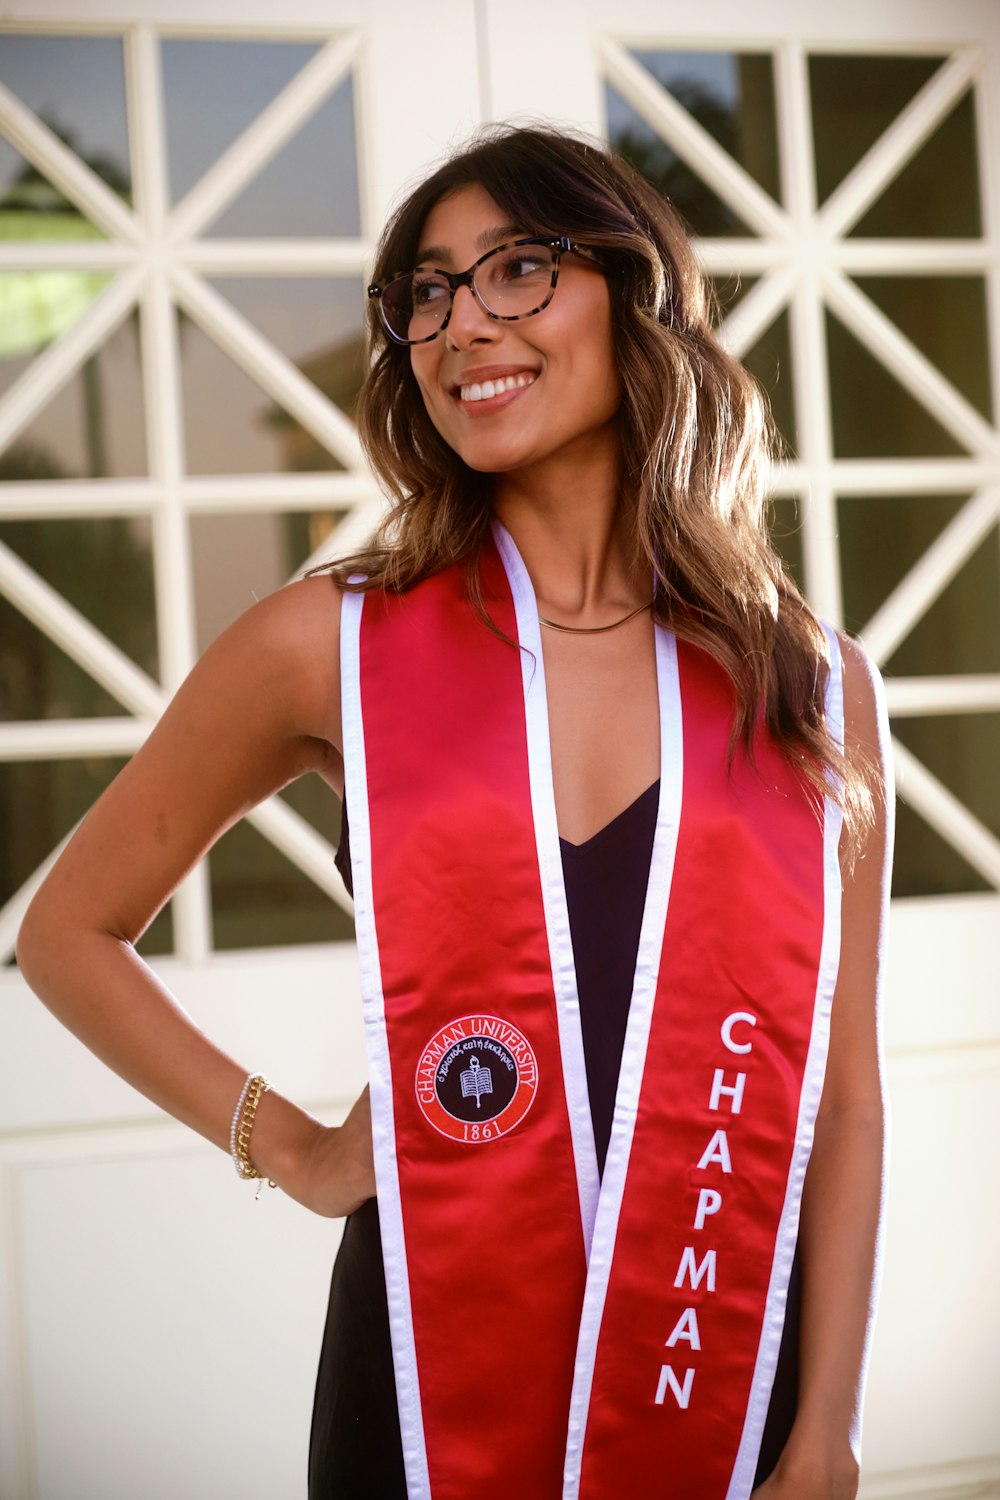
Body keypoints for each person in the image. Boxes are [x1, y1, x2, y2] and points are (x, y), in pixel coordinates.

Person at [16, 124, 892, 1500]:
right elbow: (69, 930)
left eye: (517, 270)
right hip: (428, 1376)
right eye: (426, 291)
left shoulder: (810, 685)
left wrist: (828, 1423)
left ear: (635, 295)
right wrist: (293, 1147)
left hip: (715, 1362)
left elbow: (840, 1100)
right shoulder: (331, 647)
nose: (461, 321)